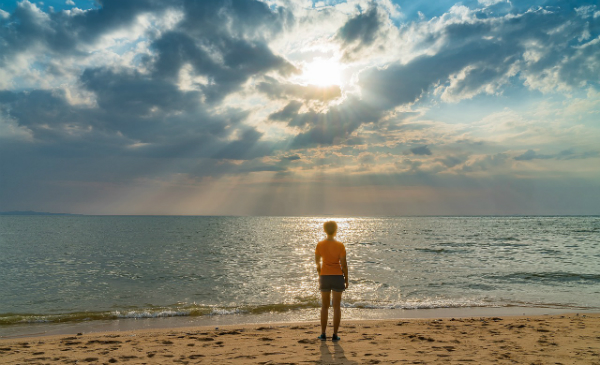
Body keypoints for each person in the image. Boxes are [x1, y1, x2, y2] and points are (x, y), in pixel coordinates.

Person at [315, 221, 348, 341]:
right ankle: (335, 334)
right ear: (336, 230)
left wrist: (320, 275)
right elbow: (344, 265)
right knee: (336, 307)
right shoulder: (340, 245)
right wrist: (346, 279)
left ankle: (323, 333)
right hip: (337, 276)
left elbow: (317, 263)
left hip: (325, 276)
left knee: (324, 306)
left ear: (324, 230)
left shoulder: (320, 245)